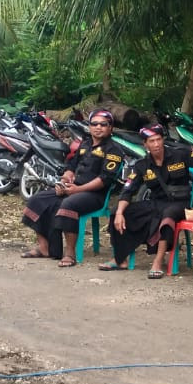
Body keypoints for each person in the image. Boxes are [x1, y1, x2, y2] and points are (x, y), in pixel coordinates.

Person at [100, 125, 193, 278]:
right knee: (117, 212)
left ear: (163, 140)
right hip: (155, 203)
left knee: (168, 215)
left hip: (180, 203)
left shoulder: (180, 155)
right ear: (145, 144)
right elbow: (128, 190)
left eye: (158, 140)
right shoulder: (142, 165)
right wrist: (121, 212)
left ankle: (158, 261)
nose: (156, 144)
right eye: (151, 141)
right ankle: (120, 259)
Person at [20, 109, 126, 267]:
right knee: (37, 200)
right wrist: (64, 181)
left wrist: (78, 189)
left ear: (110, 128)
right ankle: (45, 248)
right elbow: (71, 166)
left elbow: (104, 179)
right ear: (89, 126)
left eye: (103, 124)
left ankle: (70, 253)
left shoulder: (113, 150)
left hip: (95, 195)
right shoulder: (85, 144)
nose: (98, 127)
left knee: (68, 205)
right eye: (94, 124)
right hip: (74, 189)